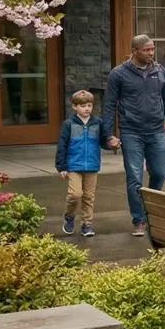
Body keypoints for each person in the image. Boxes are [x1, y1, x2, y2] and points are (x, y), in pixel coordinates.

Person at [103, 34, 165, 236]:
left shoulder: (160, 72)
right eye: (146, 50)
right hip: (131, 132)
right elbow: (109, 105)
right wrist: (108, 134)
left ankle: (150, 211)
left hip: (156, 131)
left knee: (159, 173)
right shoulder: (119, 74)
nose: (151, 53)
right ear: (134, 51)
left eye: (152, 49)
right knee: (134, 177)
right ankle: (138, 220)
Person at [55, 90, 107, 238]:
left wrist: (112, 143)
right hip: (73, 166)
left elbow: (103, 141)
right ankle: (69, 215)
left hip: (92, 165)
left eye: (89, 105)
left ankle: (86, 224)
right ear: (74, 106)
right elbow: (62, 145)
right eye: (83, 106)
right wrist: (61, 166)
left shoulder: (97, 123)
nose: (87, 109)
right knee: (75, 194)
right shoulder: (69, 124)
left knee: (89, 196)